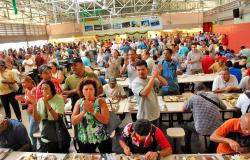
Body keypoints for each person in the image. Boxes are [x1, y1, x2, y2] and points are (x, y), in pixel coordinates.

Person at [182, 82, 226, 153]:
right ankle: (212, 149)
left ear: (195, 91)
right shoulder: (214, 96)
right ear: (205, 89)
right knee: (214, 125)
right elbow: (224, 107)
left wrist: (187, 104)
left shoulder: (193, 98)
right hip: (218, 127)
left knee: (186, 126)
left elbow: (183, 109)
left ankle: (187, 149)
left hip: (201, 129)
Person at [71, 78, 112, 153]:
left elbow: (106, 120)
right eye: (86, 89)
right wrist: (83, 112)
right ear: (82, 91)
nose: (89, 91)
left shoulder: (101, 101)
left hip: (102, 136)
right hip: (84, 138)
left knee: (106, 157)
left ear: (95, 90)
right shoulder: (79, 102)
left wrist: (92, 111)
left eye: (91, 89)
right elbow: (73, 122)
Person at [27, 80, 68, 153]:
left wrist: (46, 103)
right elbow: (37, 119)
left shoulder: (58, 99)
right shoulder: (40, 101)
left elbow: (57, 118)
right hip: (45, 136)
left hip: (58, 136)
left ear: (52, 89)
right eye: (42, 89)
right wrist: (34, 104)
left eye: (46, 88)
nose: (44, 90)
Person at [132, 60, 168, 125]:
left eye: (143, 69)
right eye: (138, 70)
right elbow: (144, 93)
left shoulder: (149, 78)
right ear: (136, 71)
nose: (141, 72)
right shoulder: (135, 82)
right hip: (144, 116)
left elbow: (165, 83)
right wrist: (153, 77)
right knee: (145, 134)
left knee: (154, 134)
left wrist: (157, 75)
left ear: (147, 69)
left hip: (155, 113)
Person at [15, 76, 39, 151]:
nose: (23, 84)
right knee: (36, 131)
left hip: (34, 113)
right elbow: (26, 103)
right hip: (29, 113)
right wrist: (22, 100)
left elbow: (36, 103)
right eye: (22, 83)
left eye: (24, 82)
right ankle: (41, 146)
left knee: (31, 133)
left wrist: (26, 101)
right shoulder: (26, 90)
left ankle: (34, 149)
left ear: (30, 82)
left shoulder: (35, 90)